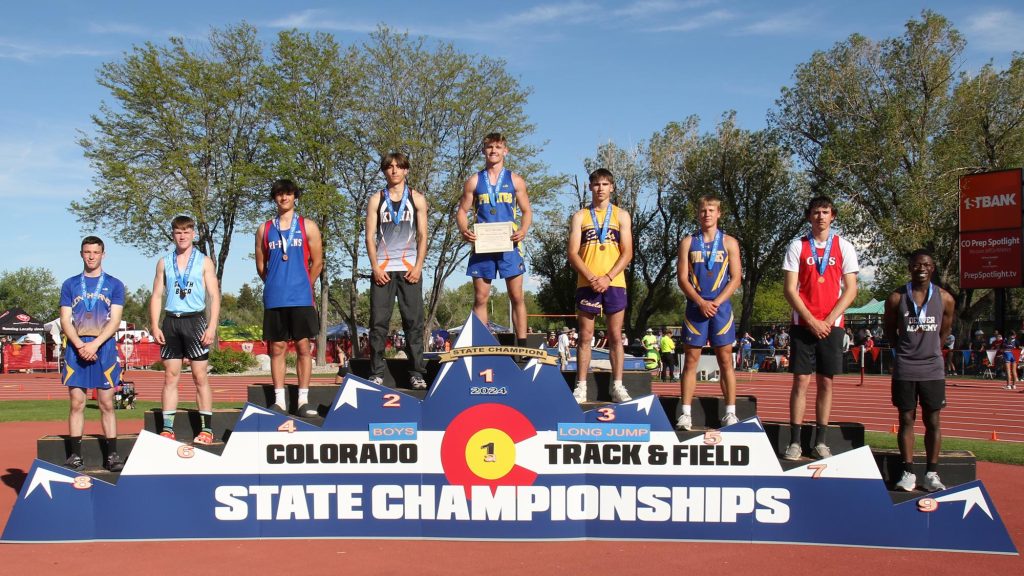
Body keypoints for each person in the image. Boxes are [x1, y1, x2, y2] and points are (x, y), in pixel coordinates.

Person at [782, 196, 859, 460]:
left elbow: (851, 290)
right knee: (801, 381)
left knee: (826, 382)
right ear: (809, 216)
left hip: (832, 325)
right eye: (816, 212)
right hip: (804, 324)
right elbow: (790, 290)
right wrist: (812, 320)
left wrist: (828, 320)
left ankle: (821, 441)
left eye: (825, 212)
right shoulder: (797, 246)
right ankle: (795, 441)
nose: (821, 217)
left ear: (833, 216)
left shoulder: (844, 246)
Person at [883, 249, 955, 492]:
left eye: (926, 264)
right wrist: (903, 352)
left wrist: (932, 349)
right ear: (910, 268)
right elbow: (890, 331)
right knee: (905, 419)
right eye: (916, 265)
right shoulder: (896, 298)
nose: (921, 268)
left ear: (932, 268)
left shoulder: (945, 298)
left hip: (933, 368)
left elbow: (944, 332)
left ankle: (932, 473)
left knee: (933, 420)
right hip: (905, 367)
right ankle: (908, 472)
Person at [149, 215, 221, 444]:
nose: (182, 236)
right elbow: (157, 295)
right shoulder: (164, 262)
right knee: (170, 376)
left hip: (195, 321)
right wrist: (154, 324)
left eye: (187, 232)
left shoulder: (204, 261)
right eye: (178, 232)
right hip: (171, 322)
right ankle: (167, 428)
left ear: (193, 234)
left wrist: (212, 326)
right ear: (173, 234)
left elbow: (214, 295)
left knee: (200, 377)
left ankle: (206, 430)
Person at [457, 132, 533, 348]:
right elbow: (462, 211)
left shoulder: (515, 179)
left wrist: (524, 230)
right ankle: (482, 345)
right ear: (483, 150)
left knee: (516, 296)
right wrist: (464, 230)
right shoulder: (474, 180)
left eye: (498, 147)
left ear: (505, 151)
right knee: (481, 297)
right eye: (489, 147)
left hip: (510, 244)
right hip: (483, 245)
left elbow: (527, 211)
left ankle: (523, 346)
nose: (493, 151)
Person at [255, 178, 324, 417]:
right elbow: (261, 266)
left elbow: (317, 262)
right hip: (275, 297)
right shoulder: (265, 229)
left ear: (295, 196)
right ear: (274, 198)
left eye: (288, 194)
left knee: (304, 347)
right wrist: (276, 283)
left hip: (301, 297)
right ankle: (279, 401)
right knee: (277, 348)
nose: (284, 198)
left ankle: (303, 400)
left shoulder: (309, 226)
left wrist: (304, 284)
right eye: (279, 194)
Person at [567, 168, 633, 404]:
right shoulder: (580, 216)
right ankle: (581, 386)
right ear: (590, 187)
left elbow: (627, 253)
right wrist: (592, 277)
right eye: (596, 184)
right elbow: (573, 253)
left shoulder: (622, 216)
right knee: (585, 337)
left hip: (614, 282)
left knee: (615, 335)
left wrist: (607, 277)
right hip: (587, 282)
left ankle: (617, 385)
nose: (601, 188)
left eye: (605, 184)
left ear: (612, 188)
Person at [59, 236, 125, 472]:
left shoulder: (115, 284)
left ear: (103, 254)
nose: (91, 256)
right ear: (81, 254)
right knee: (77, 402)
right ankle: (75, 455)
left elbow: (115, 320)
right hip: (76, 348)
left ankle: (113, 454)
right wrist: (79, 345)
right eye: (87, 252)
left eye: (95, 252)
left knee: (106, 403)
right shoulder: (70, 284)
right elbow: (65, 320)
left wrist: (95, 344)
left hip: (103, 347)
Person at [676, 195, 742, 430]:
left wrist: (716, 302)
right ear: (698, 213)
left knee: (726, 360)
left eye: (711, 210)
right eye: (703, 210)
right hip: (696, 308)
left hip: (721, 309)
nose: (707, 214)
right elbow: (682, 278)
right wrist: (700, 302)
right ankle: (685, 414)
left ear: (719, 213)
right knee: (691, 361)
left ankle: (730, 413)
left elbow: (736, 278)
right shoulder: (687, 242)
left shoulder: (730, 243)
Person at [366, 152, 429, 390]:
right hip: (382, 269)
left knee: (413, 323)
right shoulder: (376, 200)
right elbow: (369, 237)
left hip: (409, 269)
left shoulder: (417, 199)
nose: (394, 170)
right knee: (378, 323)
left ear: (406, 171)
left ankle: (417, 373)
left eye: (398, 167)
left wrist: (419, 265)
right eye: (389, 167)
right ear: (384, 171)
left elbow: (423, 235)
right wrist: (374, 266)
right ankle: (376, 373)